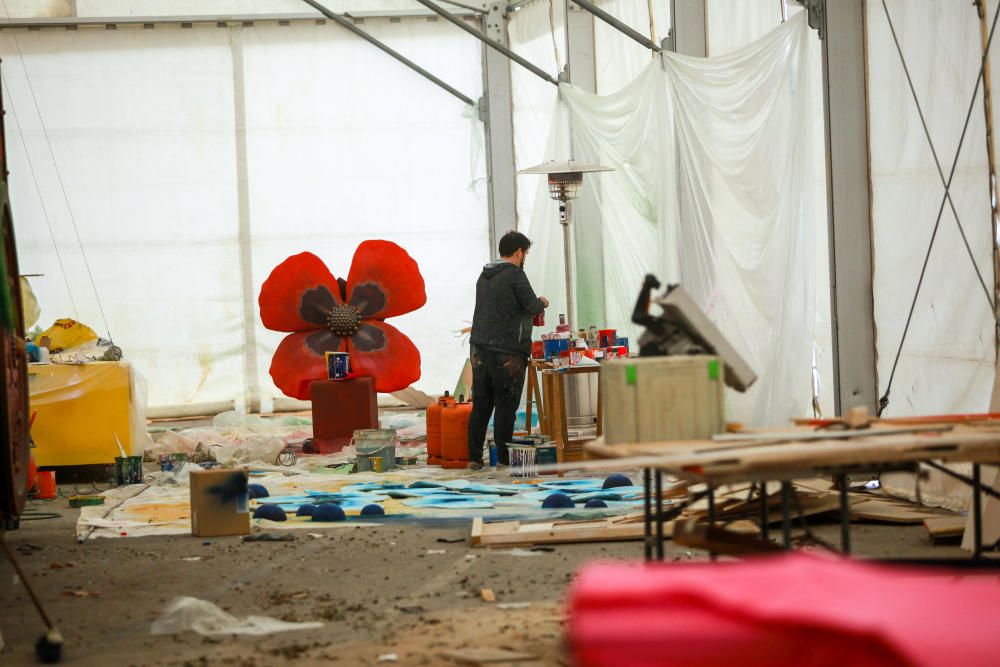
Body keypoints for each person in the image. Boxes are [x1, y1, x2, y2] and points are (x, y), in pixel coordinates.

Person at [467, 231, 549, 469]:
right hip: (508, 351)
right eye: (525, 253)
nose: (525, 257)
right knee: (505, 404)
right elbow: (532, 306)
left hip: (479, 348)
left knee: (481, 403)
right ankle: (504, 459)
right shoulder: (515, 275)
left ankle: (473, 458)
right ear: (518, 252)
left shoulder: (484, 275)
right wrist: (543, 302)